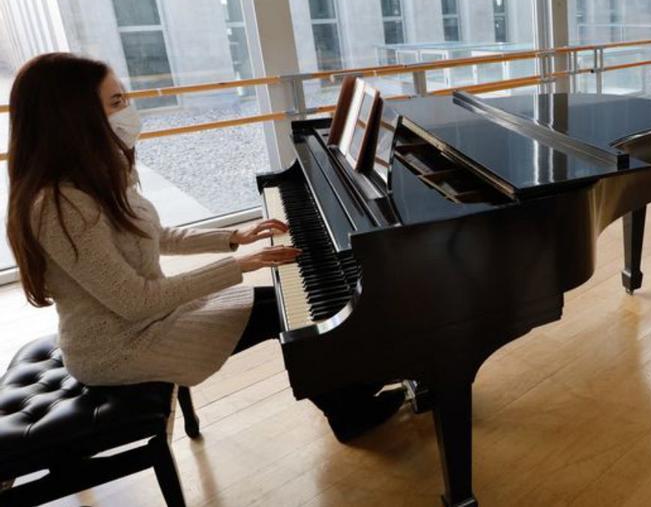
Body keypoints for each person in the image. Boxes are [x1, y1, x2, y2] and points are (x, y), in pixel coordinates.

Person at [6, 52, 406, 443]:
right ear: (73, 118)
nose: (129, 110)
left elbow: (156, 235)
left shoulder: (94, 173)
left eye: (124, 97)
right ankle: (354, 400)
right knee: (289, 313)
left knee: (288, 307)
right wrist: (240, 264)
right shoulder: (59, 207)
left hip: (147, 319)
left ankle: (350, 398)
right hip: (119, 346)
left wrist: (233, 237)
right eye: (116, 102)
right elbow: (135, 302)